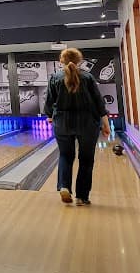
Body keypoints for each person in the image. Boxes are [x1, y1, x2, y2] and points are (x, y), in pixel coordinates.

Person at [44, 48, 110, 206]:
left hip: (62, 122)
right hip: (87, 122)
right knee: (86, 160)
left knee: (65, 155)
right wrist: (105, 124)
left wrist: (49, 116)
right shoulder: (87, 77)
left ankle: (64, 186)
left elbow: (49, 102)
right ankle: (82, 196)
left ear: (61, 61)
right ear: (80, 60)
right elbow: (99, 103)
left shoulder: (55, 77)